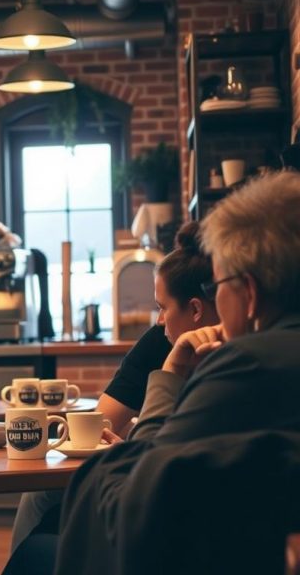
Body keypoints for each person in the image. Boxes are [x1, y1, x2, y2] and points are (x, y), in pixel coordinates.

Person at [36, 171, 300, 573]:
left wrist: (171, 372)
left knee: (34, 552)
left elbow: (138, 497)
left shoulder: (246, 365)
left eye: (218, 285)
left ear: (249, 293)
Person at [7, 221, 219, 554]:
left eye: (162, 308)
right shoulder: (159, 342)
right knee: (42, 499)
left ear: (195, 309)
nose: (158, 320)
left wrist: (134, 451)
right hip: (158, 484)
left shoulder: (227, 358)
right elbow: (99, 427)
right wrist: (127, 447)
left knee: (40, 542)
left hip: (177, 505)